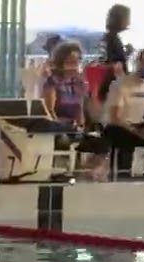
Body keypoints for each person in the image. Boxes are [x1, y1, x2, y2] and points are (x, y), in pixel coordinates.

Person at [42, 43, 110, 181]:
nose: (74, 65)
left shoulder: (79, 82)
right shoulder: (52, 82)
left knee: (103, 143)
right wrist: (64, 126)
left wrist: (81, 125)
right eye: (70, 62)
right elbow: (49, 111)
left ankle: (84, 172)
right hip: (57, 128)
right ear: (61, 62)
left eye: (77, 61)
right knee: (65, 139)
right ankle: (69, 173)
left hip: (74, 128)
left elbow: (80, 108)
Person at [98, 4, 131, 101]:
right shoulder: (112, 39)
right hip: (113, 86)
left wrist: (126, 54)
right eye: (127, 18)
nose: (129, 22)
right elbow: (113, 63)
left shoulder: (110, 37)